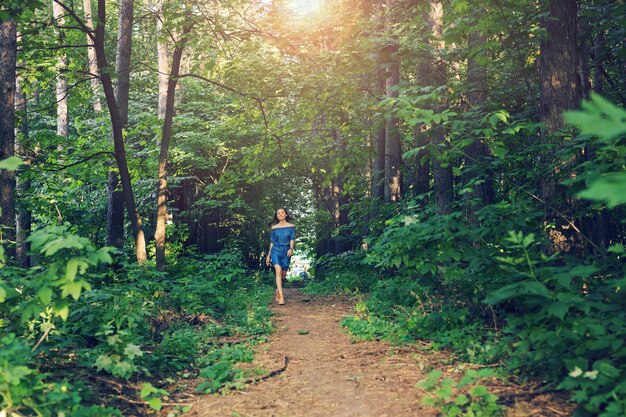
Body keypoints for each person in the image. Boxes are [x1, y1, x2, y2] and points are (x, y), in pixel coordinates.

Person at [265, 208, 295, 305]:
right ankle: (281, 297)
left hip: (286, 251)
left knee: (283, 275)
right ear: (277, 216)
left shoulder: (291, 226)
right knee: (278, 271)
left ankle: (278, 290)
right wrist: (268, 256)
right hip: (276, 251)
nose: (280, 214)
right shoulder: (274, 228)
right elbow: (272, 242)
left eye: (282, 213)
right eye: (278, 213)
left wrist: (291, 249)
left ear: (286, 214)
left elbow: (292, 239)